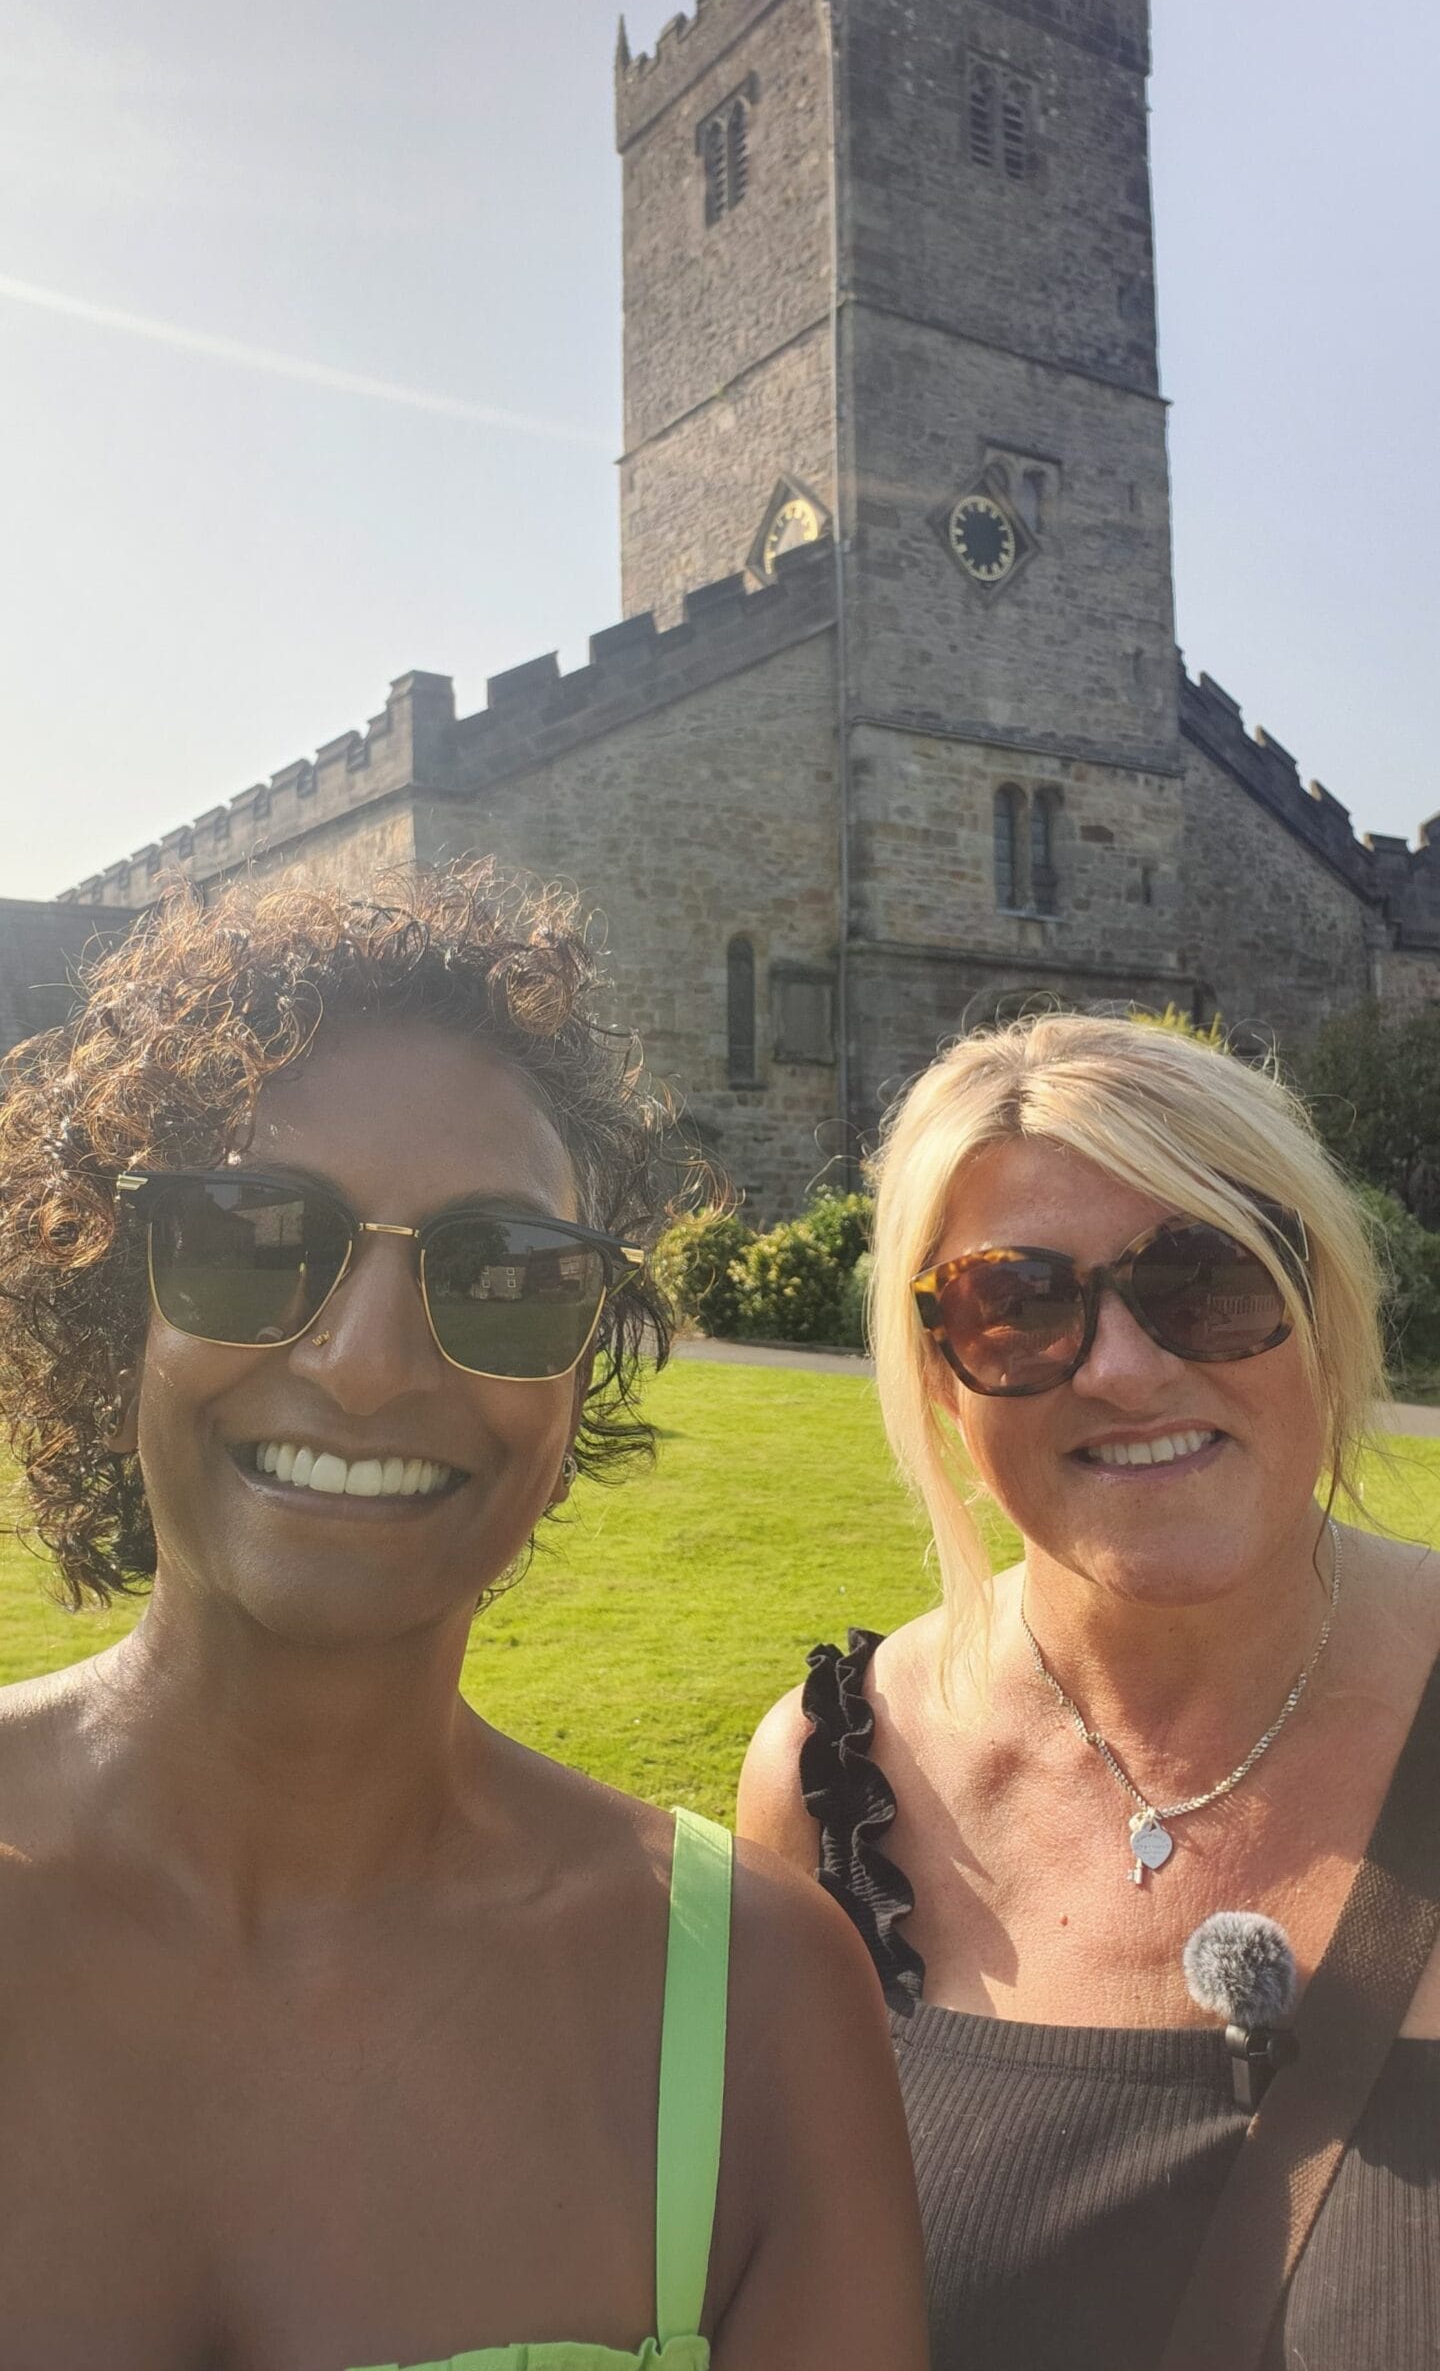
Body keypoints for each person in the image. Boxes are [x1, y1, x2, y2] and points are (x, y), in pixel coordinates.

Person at [0, 866, 927, 2371]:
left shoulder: (756, 2001)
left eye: (499, 1276)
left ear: (574, 1386)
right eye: (252, 1235)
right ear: (119, 1319)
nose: (366, 1365)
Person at [739, 1009, 1440, 2371]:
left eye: (1206, 1274)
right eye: (1016, 1306)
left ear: (1322, 1306)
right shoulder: (835, 1789)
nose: (1123, 1368)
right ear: (942, 1379)